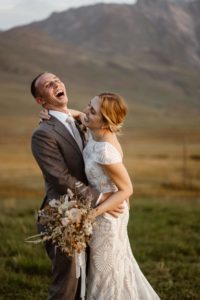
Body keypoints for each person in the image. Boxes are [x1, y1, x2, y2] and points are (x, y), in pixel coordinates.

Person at [41, 91, 161, 299]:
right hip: (102, 209)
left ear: (105, 122)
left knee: (106, 272)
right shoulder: (95, 129)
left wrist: (92, 214)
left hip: (109, 215)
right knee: (103, 268)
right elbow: (78, 115)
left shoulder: (106, 150)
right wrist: (53, 114)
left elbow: (127, 189)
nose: (86, 111)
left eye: (93, 111)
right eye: (89, 104)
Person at [30, 72, 123, 300]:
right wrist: (102, 199)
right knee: (67, 286)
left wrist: (71, 113)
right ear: (41, 100)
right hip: (62, 216)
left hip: (92, 216)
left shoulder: (83, 122)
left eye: (57, 80)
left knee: (90, 281)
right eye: (47, 85)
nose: (56, 84)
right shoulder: (43, 134)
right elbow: (60, 179)